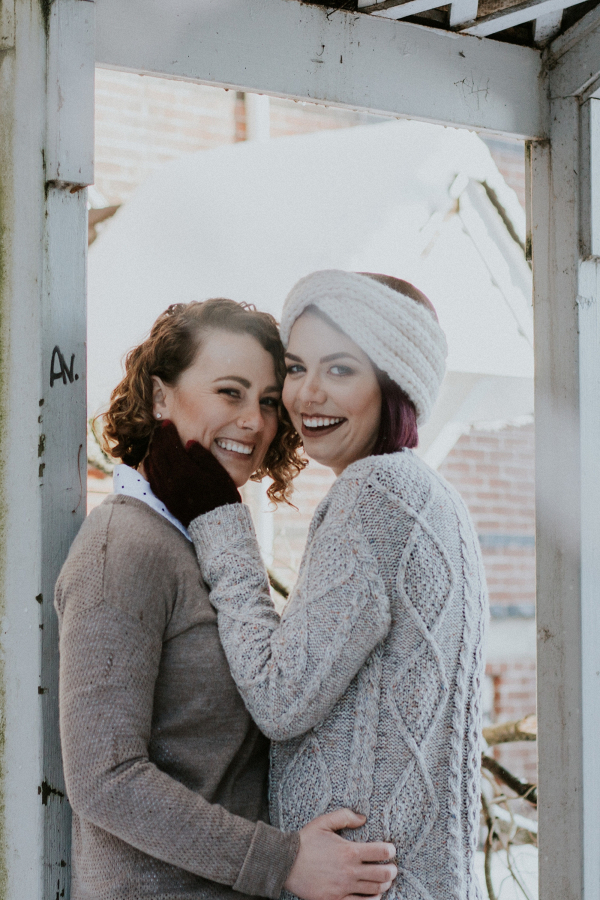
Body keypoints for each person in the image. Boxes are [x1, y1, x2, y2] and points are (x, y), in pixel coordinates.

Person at [147, 272, 489, 900]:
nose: (306, 395)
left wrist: (218, 517)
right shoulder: (435, 500)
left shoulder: (374, 495)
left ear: (394, 381)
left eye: (339, 370)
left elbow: (280, 698)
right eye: (297, 369)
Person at [55, 297, 398, 900]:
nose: (254, 421)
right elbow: (104, 777)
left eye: (268, 402)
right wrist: (282, 861)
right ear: (161, 397)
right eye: (229, 393)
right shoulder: (124, 546)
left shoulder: (202, 539)